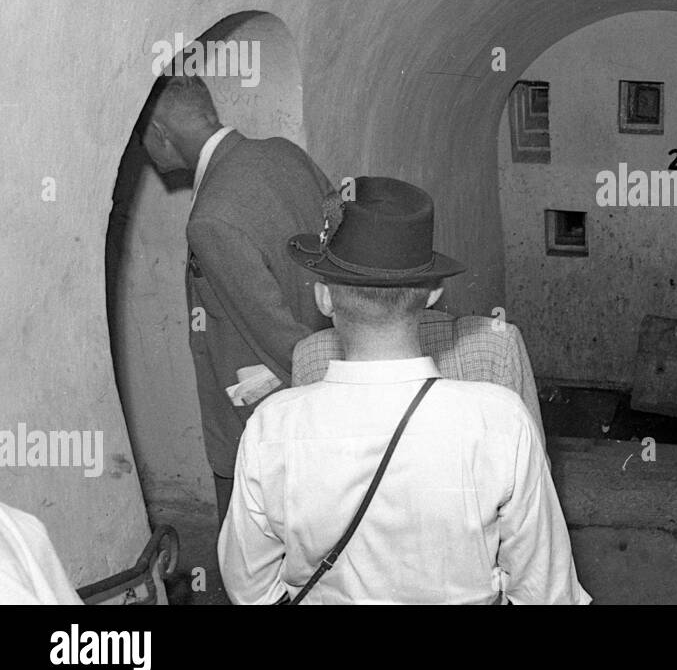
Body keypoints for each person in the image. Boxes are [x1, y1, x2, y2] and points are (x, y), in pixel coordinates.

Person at [217, 177, 589, 604]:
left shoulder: (272, 427)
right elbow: (546, 593)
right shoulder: (500, 422)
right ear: (433, 293)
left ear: (323, 297)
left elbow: (250, 588)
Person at [138, 74, 332, 524]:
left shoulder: (211, 219)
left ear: (161, 135)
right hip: (326, 390)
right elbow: (337, 249)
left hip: (265, 421)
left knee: (254, 564)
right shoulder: (287, 154)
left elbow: (275, 332)